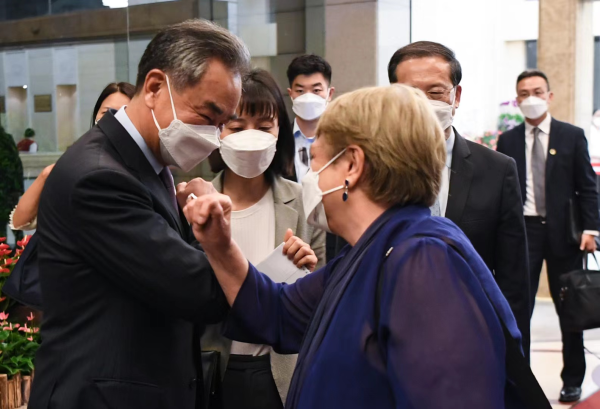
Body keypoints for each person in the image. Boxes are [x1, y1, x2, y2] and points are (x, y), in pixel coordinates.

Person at [183, 85, 533, 409]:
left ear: (351, 165)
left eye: (317, 160)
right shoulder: (367, 252)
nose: (311, 177)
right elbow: (276, 315)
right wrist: (219, 243)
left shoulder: (424, 260)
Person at [28, 20, 251, 409]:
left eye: (222, 125)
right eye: (207, 115)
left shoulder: (149, 166)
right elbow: (200, 291)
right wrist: (219, 235)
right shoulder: (99, 177)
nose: (214, 138)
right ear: (153, 87)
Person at [387, 41, 531, 359]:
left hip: (474, 342)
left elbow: (514, 281)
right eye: (412, 93)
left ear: (456, 97)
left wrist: (517, 364)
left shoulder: (497, 170)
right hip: (392, 343)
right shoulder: (371, 171)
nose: (424, 103)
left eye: (436, 91)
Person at [198, 68, 326, 409]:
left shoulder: (303, 201)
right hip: (216, 369)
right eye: (237, 127)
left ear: (280, 130)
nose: (250, 137)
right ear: (217, 132)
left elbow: (325, 300)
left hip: (283, 369)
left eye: (264, 126)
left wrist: (307, 274)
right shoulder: (196, 205)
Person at [497, 69, 600, 403]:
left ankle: (572, 379)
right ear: (517, 99)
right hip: (521, 233)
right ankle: (520, 376)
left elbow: (588, 186)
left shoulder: (572, 136)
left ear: (550, 95)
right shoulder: (508, 140)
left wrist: (591, 229)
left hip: (565, 236)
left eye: (537, 91)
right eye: (523, 93)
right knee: (517, 308)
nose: (531, 98)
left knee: (570, 309)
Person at [10, 82, 135, 232]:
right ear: (96, 115)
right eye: (107, 113)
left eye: (124, 113)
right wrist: (47, 175)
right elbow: (20, 221)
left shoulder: (145, 170)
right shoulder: (76, 162)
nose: (114, 120)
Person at [287, 54, 335, 181]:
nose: (308, 98)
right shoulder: (279, 140)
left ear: (330, 94)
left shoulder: (343, 139)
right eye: (300, 91)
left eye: (316, 90)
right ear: (290, 94)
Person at [0, 125, 24, 240]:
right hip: (12, 187)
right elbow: (18, 163)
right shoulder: (8, 139)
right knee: (13, 219)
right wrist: (19, 188)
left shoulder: (6, 140)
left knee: (2, 222)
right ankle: (21, 248)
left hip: (5, 187)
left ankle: (3, 252)